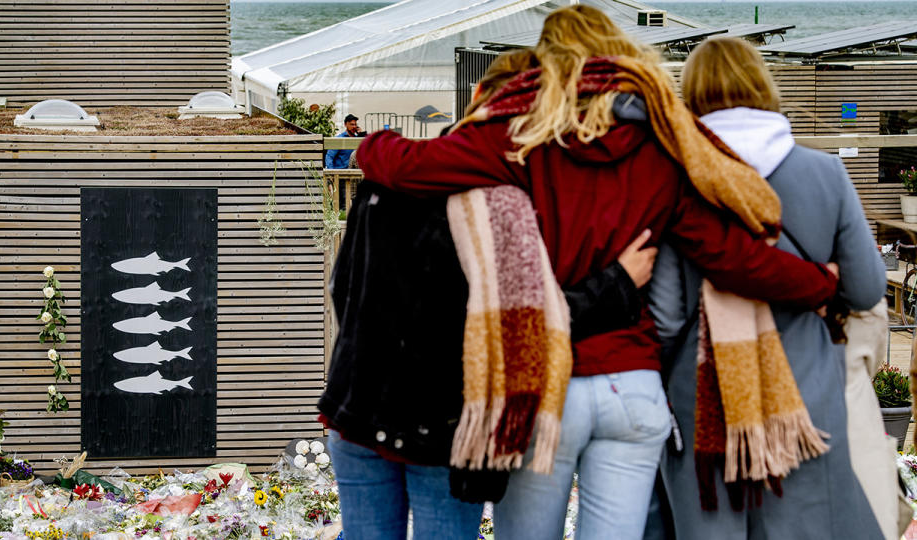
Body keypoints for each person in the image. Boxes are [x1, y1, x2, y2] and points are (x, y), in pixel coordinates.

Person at [354, 6, 839, 539]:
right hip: (632, 388)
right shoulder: (663, 147)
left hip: (544, 388)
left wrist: (373, 141)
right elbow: (732, 258)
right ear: (621, 56)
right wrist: (821, 284)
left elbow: (404, 167)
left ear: (549, 61)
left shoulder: (517, 138)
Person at [649, 37, 886, 540]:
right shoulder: (825, 172)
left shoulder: (679, 177)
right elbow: (866, 290)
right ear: (763, 86)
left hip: (704, 399)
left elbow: (666, 317)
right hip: (807, 394)